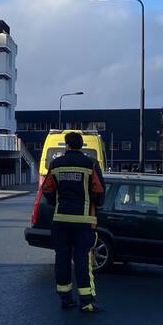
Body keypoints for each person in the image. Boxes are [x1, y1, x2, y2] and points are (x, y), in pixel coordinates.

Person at [41, 131, 106, 313]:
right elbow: (99, 191)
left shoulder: (56, 164)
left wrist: (57, 202)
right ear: (81, 145)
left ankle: (66, 299)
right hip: (84, 221)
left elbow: (47, 189)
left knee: (62, 259)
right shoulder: (90, 164)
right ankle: (86, 302)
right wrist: (95, 204)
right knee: (82, 260)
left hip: (61, 219)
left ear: (67, 145)